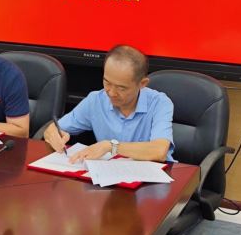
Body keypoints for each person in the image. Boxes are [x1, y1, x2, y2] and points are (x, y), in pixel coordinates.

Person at [44, 45, 174, 162]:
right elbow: (54, 129)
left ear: (142, 84)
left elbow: (159, 151)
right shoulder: (96, 100)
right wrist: (53, 134)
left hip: (151, 177)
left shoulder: (159, 103)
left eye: (121, 88)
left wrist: (111, 146)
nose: (111, 93)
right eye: (107, 82)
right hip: (108, 176)